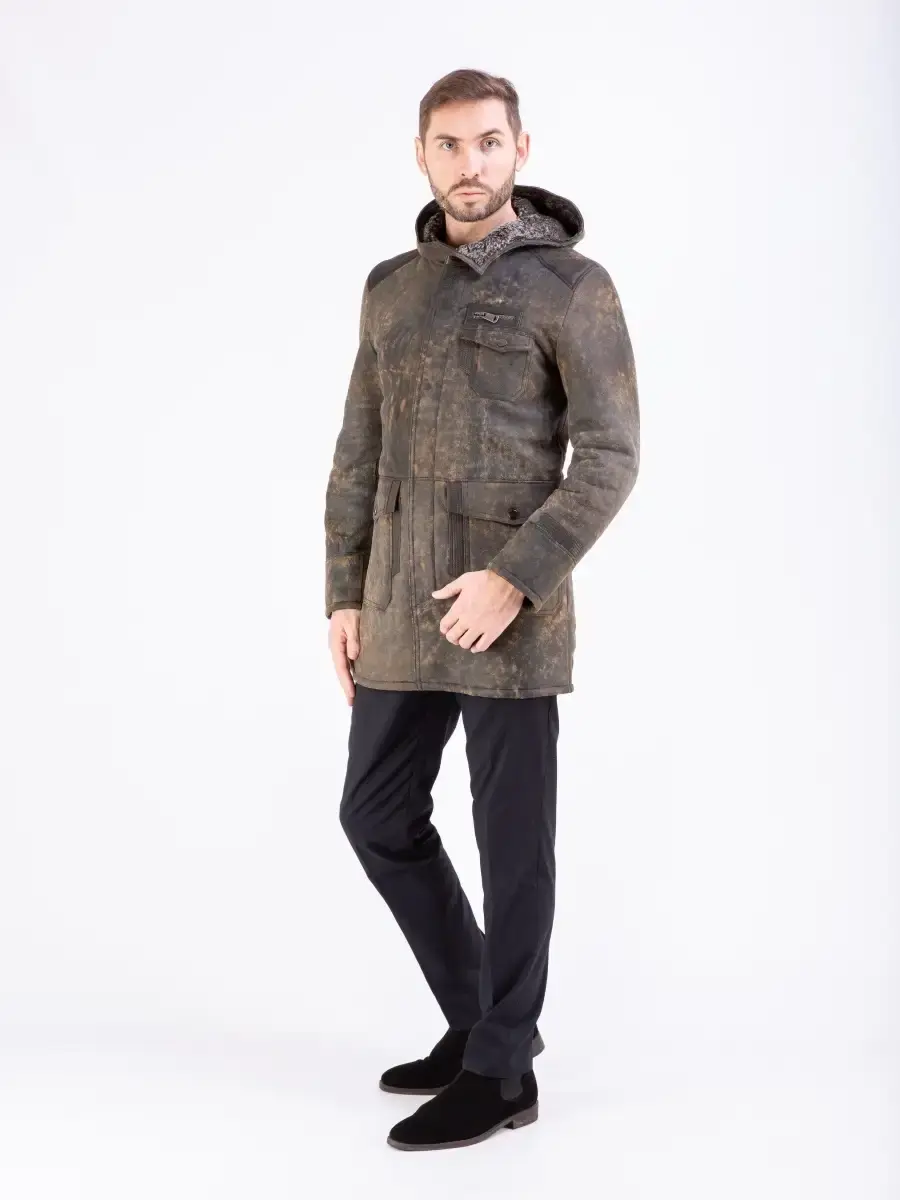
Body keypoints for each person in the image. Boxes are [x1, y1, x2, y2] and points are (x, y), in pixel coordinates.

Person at [323, 67, 640, 1152]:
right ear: (422, 155)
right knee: (375, 815)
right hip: (399, 604)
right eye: (450, 146)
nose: (470, 164)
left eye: (488, 143)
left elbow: (610, 456)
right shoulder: (390, 289)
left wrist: (517, 575)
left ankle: (504, 1071)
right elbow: (357, 451)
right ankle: (480, 1022)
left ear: (522, 150)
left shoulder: (573, 287)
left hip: (511, 612)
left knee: (512, 847)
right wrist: (343, 593)